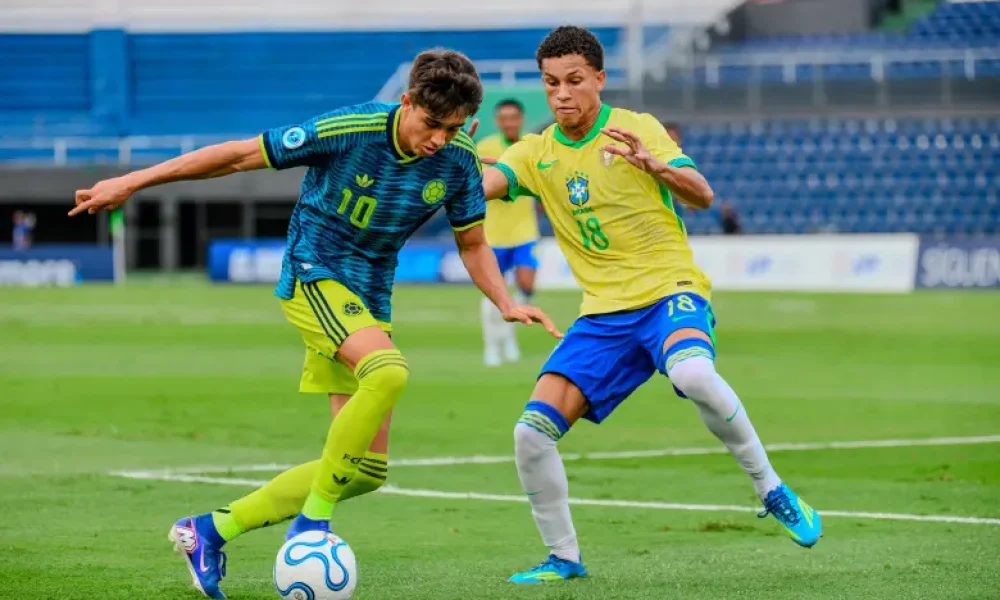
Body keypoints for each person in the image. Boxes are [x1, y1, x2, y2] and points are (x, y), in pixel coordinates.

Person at [70, 49, 560, 599]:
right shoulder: (350, 128)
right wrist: (131, 182)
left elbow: (472, 243)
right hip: (315, 271)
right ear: (406, 102)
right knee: (389, 372)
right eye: (430, 124)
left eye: (452, 129)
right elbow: (236, 157)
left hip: (371, 295)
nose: (438, 140)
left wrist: (504, 302)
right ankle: (312, 523)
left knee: (365, 470)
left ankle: (208, 531)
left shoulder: (459, 159)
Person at [479, 26, 822, 584]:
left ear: (599, 79)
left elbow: (702, 193)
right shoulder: (535, 153)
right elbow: (484, 187)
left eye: (573, 81)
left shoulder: (634, 127)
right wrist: (450, 166)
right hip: (602, 315)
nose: (561, 94)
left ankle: (772, 489)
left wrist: (656, 167)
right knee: (529, 434)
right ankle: (563, 557)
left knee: (694, 373)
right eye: (550, 84)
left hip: (668, 291)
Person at [476, 98, 541, 366]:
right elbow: (478, 187)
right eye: (504, 118)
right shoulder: (485, 148)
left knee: (526, 284)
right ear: (497, 121)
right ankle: (492, 346)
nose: (509, 122)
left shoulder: (532, 146)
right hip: (494, 235)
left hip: (524, 231)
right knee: (494, 292)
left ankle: (510, 337)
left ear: (521, 119)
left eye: (513, 117)